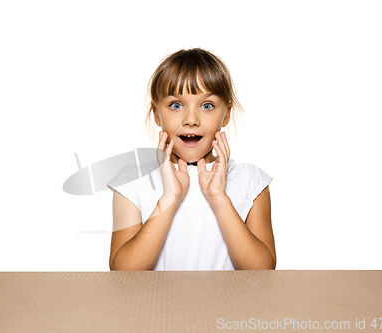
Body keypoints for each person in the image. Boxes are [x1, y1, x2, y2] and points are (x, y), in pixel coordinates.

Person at [107, 48, 276, 271]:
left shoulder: (252, 182)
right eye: (176, 105)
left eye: (207, 106)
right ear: (157, 114)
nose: (191, 119)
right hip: (156, 306)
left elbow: (263, 271)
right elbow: (123, 271)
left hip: (229, 306)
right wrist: (170, 198)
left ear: (226, 114)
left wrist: (218, 197)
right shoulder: (132, 181)